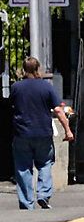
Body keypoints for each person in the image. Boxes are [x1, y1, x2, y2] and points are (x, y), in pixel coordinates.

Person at [11, 57, 72, 210]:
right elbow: (58, 110)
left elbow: (12, 106)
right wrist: (67, 130)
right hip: (43, 132)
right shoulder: (46, 87)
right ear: (38, 69)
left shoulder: (16, 87)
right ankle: (43, 195)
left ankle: (27, 202)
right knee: (45, 164)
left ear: (23, 69)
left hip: (22, 132)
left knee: (23, 168)